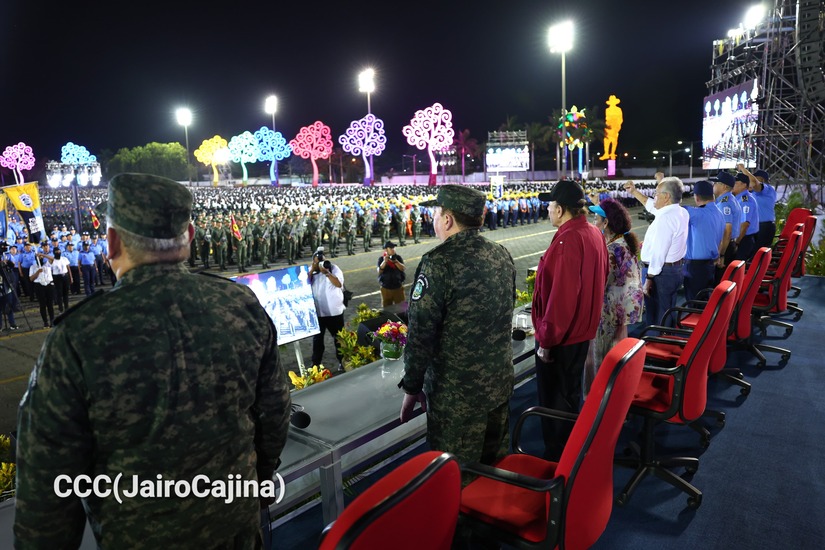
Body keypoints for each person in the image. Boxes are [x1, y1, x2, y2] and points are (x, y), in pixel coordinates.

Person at [14, 173, 291, 549]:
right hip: (235, 526)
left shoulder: (81, 334)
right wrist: (257, 482)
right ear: (190, 237)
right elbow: (274, 410)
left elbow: (47, 481)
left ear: (112, 242)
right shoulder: (240, 306)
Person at [399, 184, 516, 482]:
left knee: (455, 480)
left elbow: (421, 333)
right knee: (494, 472)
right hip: (498, 384)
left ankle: (461, 529)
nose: (435, 220)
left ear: (448, 219)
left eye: (436, 213)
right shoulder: (501, 254)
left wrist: (411, 387)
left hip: (458, 397)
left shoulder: (438, 263)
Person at [532, 180, 608, 460]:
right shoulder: (593, 232)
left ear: (561, 209)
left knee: (554, 405)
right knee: (570, 395)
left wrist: (547, 341)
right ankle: (573, 455)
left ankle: (558, 465)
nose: (548, 210)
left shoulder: (567, 239)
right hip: (582, 331)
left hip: (562, 338)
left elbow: (561, 298)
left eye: (550, 205)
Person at [584, 198, 644, 395]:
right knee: (616, 359)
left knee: (601, 361)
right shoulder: (622, 243)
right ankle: (615, 400)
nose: (594, 222)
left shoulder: (612, 250)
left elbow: (599, 283)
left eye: (596, 218)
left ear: (606, 223)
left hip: (606, 315)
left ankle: (599, 406)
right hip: (618, 314)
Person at [625, 177, 689, 327]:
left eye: (657, 193)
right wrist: (634, 191)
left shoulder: (665, 219)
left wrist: (649, 278)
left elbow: (659, 253)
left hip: (661, 273)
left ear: (666, 197)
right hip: (674, 270)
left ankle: (659, 343)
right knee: (668, 309)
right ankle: (667, 337)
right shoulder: (680, 211)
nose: (654, 196)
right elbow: (651, 206)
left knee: (659, 315)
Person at [682, 180, 726, 303]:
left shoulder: (696, 214)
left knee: (695, 302)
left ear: (696, 197)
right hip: (710, 264)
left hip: (695, 267)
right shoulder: (719, 213)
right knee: (705, 299)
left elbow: (673, 209)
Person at [309, 247, 346, 371]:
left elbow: (338, 284)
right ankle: (316, 365)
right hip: (318, 313)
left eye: (322, 261)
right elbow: (304, 284)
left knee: (339, 339)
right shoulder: (311, 271)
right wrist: (312, 271)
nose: (320, 264)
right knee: (318, 341)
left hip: (334, 313)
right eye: (317, 262)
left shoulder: (334, 269)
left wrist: (327, 273)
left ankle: (343, 361)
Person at [740, 164, 777, 250]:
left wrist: (742, 168)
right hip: (755, 227)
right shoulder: (751, 193)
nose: (750, 181)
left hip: (764, 227)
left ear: (762, 180)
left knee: (758, 255)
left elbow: (754, 183)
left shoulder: (768, 189)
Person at [712, 171, 742, 273]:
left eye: (716, 183)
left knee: (720, 281)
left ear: (724, 186)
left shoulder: (724, 204)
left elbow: (727, 231)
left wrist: (721, 254)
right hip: (729, 244)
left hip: (725, 246)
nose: (714, 185)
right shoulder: (731, 199)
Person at [733, 171, 760, 261]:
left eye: (736, 183)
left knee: (737, 267)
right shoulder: (739, 198)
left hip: (744, 239)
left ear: (744, 185)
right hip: (743, 238)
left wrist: (736, 243)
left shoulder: (745, 201)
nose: (733, 185)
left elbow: (744, 224)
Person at [28, 244, 56, 328]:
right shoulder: (33, 267)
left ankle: (52, 320)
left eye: (41, 258)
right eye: (38, 258)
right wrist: (37, 272)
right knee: (42, 305)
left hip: (49, 285)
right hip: (39, 286)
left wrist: (42, 254)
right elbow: (31, 279)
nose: (40, 259)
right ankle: (45, 322)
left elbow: (52, 259)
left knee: (50, 304)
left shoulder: (47, 264)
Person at [377, 240, 406, 307]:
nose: (393, 250)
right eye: (391, 248)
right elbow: (379, 271)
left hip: (398, 287)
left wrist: (396, 262)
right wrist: (385, 261)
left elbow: (403, 268)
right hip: (386, 288)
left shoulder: (398, 258)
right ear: (386, 250)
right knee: (387, 309)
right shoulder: (381, 259)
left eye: (393, 248)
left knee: (402, 309)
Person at [50, 243, 73, 312]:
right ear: (54, 253)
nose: (58, 253)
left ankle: (66, 307)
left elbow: (68, 268)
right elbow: (50, 270)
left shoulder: (64, 259)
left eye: (59, 252)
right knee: (59, 294)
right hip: (57, 277)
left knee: (66, 293)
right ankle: (61, 309)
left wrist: (71, 277)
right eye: (56, 252)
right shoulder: (52, 261)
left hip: (65, 276)